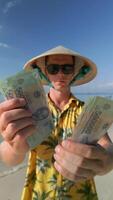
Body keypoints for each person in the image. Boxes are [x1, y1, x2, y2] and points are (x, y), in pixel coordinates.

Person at [0, 45, 113, 200]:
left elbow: (107, 145)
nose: (60, 74)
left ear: (75, 72)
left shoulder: (86, 111)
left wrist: (106, 161)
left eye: (67, 68)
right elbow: (10, 158)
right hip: (40, 192)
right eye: (53, 68)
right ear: (44, 72)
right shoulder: (29, 109)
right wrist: (14, 146)